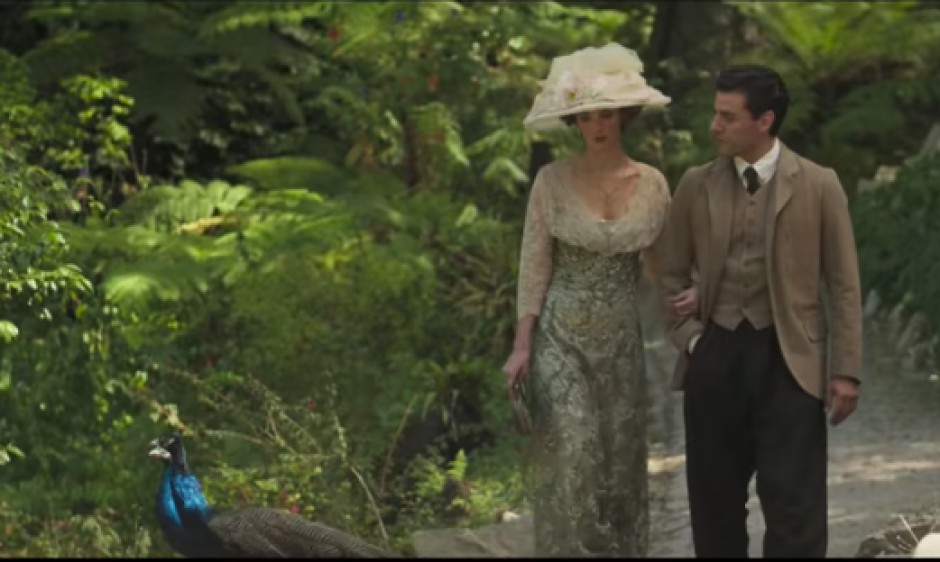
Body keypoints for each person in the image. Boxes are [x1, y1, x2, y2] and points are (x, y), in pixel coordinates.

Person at [656, 64, 863, 557]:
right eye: (715, 114)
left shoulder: (819, 184)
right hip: (716, 352)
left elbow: (844, 285)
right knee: (715, 506)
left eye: (727, 116)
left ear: (764, 119)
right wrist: (692, 338)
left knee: (795, 506)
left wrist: (845, 371)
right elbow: (669, 274)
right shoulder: (695, 184)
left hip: (789, 359)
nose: (715, 126)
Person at [501, 42, 679, 557]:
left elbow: (662, 268)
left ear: (623, 116)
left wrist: (690, 312)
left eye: (606, 115)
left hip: (622, 339)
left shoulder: (652, 184)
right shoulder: (551, 182)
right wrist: (522, 344)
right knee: (573, 453)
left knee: (619, 465)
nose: (598, 125)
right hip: (560, 334)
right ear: (573, 123)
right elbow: (533, 264)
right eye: (586, 116)